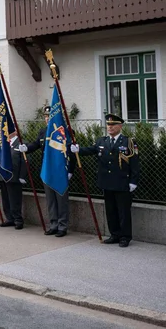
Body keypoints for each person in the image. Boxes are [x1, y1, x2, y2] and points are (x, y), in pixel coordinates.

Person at [71, 114, 139, 248]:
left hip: (122, 183)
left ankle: (125, 236)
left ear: (120, 126)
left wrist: (133, 181)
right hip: (107, 182)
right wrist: (78, 150)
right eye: (108, 125)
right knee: (110, 210)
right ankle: (115, 234)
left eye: (113, 125)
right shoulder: (101, 141)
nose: (110, 127)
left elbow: (135, 164)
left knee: (123, 211)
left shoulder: (128, 142)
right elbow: (91, 150)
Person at [25, 105, 71, 237]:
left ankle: (63, 226)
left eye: (49, 116)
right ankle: (53, 224)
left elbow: (70, 152)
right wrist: (26, 148)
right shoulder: (43, 132)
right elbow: (36, 145)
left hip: (60, 171)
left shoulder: (64, 131)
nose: (47, 119)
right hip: (47, 170)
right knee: (51, 200)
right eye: (45, 117)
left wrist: (70, 170)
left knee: (61, 200)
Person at [0, 130, 27, 230]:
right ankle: (9, 218)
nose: (7, 132)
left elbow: (25, 161)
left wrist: (22, 176)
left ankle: (18, 220)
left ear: (15, 132)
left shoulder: (21, 144)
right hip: (4, 176)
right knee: (5, 199)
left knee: (15, 200)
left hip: (15, 177)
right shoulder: (5, 143)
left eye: (9, 130)